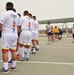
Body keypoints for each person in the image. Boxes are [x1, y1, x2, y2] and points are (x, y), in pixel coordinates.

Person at [0, 2, 20, 73]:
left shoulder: (4, 14)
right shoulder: (17, 16)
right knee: (13, 50)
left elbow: (0, 24)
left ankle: (5, 68)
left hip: (7, 34)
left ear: (6, 7)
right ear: (13, 7)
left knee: (5, 51)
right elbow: (19, 26)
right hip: (14, 34)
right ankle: (13, 66)